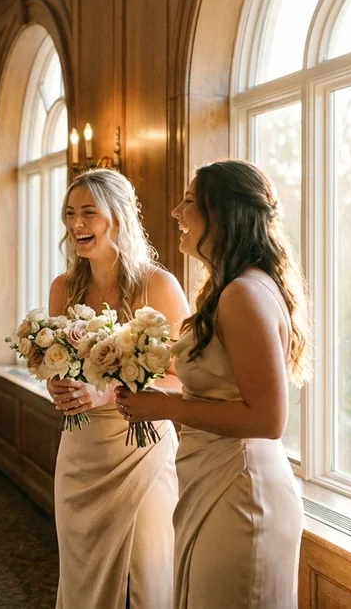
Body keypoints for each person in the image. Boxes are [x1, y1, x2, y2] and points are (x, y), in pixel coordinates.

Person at [117, 160, 310, 608]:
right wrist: (159, 396)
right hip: (216, 477)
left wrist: (165, 409)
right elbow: (224, 393)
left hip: (243, 489)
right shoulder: (227, 289)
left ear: (220, 214)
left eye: (188, 202)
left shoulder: (243, 294)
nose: (175, 212)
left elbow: (267, 418)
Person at [45, 169, 190, 608]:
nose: (76, 225)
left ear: (118, 217)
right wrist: (57, 383)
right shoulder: (64, 289)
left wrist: (105, 394)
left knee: (146, 578)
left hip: (141, 452)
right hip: (80, 454)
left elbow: (183, 376)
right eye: (70, 214)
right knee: (84, 581)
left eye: (89, 213)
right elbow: (55, 360)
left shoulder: (158, 285)